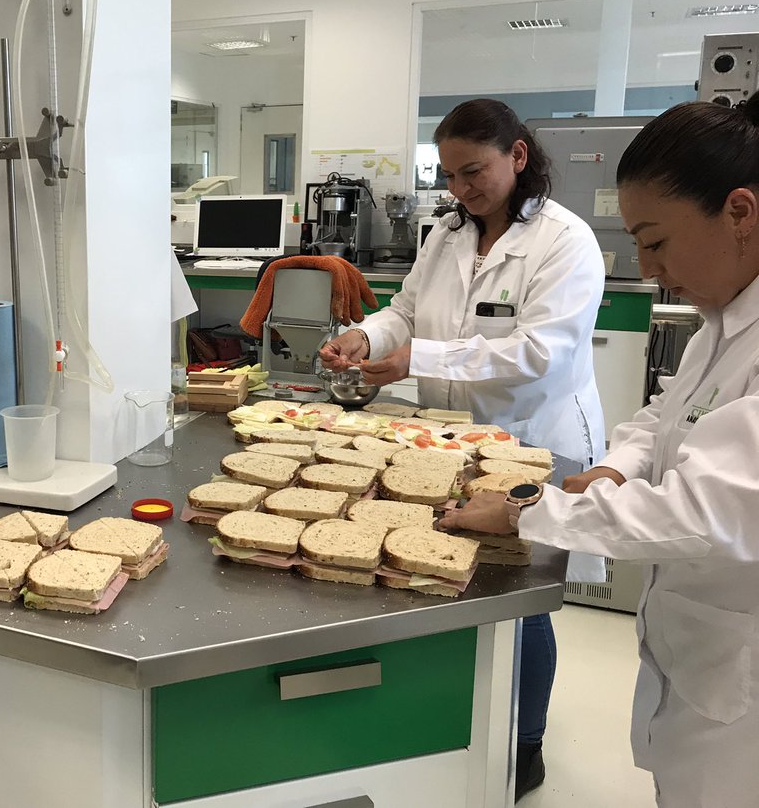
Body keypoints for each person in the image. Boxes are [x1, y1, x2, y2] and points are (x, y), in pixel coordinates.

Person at [441, 98, 759, 806]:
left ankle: (523, 747)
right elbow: (664, 413)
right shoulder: (726, 317)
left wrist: (528, 515)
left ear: (740, 212)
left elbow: (707, 511)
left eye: (656, 241)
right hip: (701, 654)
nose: (648, 269)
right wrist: (619, 464)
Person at [320, 98, 607, 799]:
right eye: (447, 175)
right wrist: (372, 335)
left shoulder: (564, 241)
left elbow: (539, 353)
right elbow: (408, 309)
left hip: (534, 441)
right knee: (449, 571)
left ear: (517, 156)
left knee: (519, 594)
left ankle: (526, 741)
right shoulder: (447, 233)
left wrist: (420, 357)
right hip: (451, 441)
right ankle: (459, 724)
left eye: (472, 171)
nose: (460, 190)